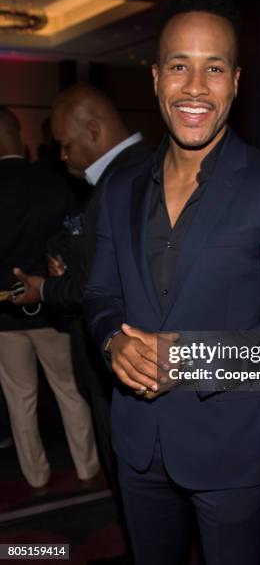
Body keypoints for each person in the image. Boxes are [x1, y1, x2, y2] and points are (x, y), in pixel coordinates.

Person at [84, 0, 260, 565]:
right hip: (137, 445)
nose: (195, 87)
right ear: (155, 78)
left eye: (213, 68)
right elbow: (99, 293)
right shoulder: (119, 189)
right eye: (180, 67)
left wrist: (188, 359)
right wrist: (112, 339)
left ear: (236, 81)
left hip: (232, 450)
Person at [11, 84, 150, 489]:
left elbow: (106, 282)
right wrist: (65, 258)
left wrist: (48, 289)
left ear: (93, 130)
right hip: (118, 354)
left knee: (132, 476)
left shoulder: (127, 178)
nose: (64, 155)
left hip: (125, 353)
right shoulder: (122, 174)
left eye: (66, 144)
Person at [0, 106, 100, 492]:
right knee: (70, 392)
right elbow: (74, 237)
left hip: (4, 315)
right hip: (50, 306)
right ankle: (88, 469)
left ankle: (36, 476)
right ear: (19, 136)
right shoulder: (50, 181)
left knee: (20, 400)